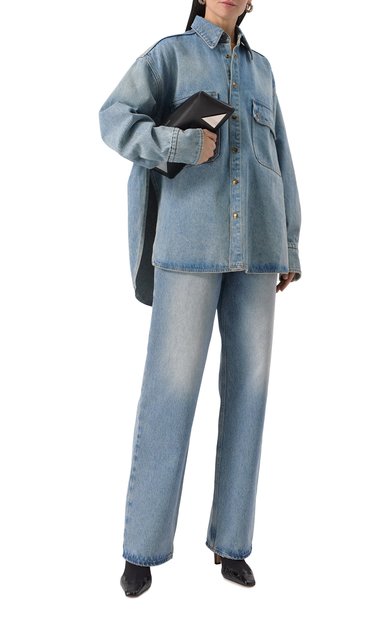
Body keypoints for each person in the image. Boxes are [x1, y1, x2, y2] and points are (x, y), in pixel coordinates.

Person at [99, 0, 302, 598]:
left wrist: (290, 244)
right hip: (188, 248)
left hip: (258, 252)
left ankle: (231, 543)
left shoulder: (263, 70)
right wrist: (178, 144)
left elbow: (282, 159)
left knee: (249, 397)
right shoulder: (170, 56)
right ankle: (143, 550)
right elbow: (113, 117)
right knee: (170, 395)